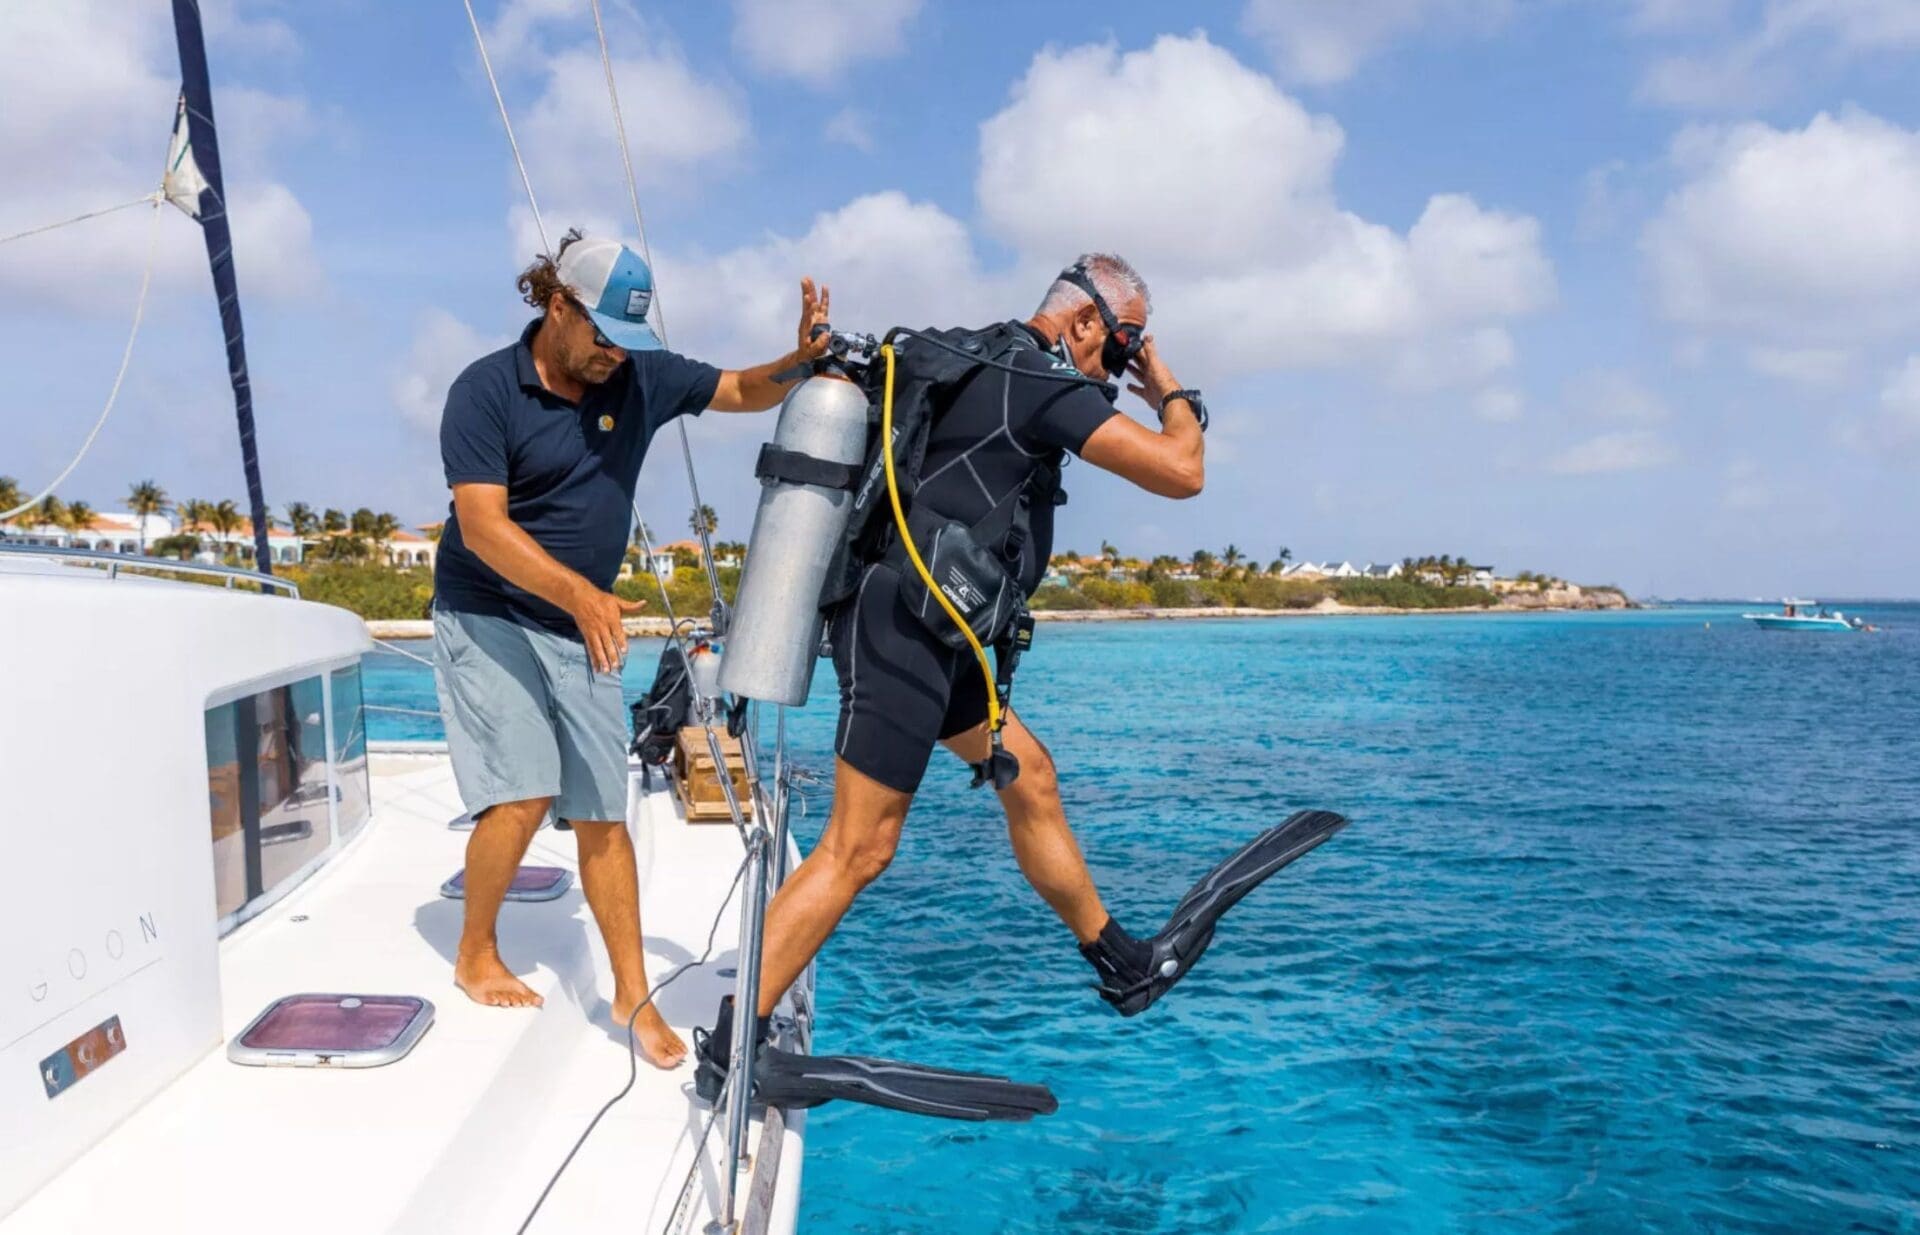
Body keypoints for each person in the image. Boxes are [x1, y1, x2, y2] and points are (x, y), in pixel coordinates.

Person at [699, 255, 1346, 1087]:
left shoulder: (973, 355)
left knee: (1029, 776)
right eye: (1120, 348)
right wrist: (1168, 386)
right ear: (1082, 324)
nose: (1116, 369)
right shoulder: (1041, 379)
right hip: (906, 629)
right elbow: (1183, 471)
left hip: (939, 625)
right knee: (860, 845)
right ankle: (734, 1040)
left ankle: (1121, 962)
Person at [433, 229, 829, 1067]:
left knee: (604, 812)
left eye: (630, 339)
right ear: (557, 305)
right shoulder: (483, 392)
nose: (617, 354)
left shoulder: (639, 375)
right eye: (605, 334)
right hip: (488, 610)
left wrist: (799, 362)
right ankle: (476, 951)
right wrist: (581, 593)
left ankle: (629, 992)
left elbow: (738, 388)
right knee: (524, 793)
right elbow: (481, 526)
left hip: (584, 621)